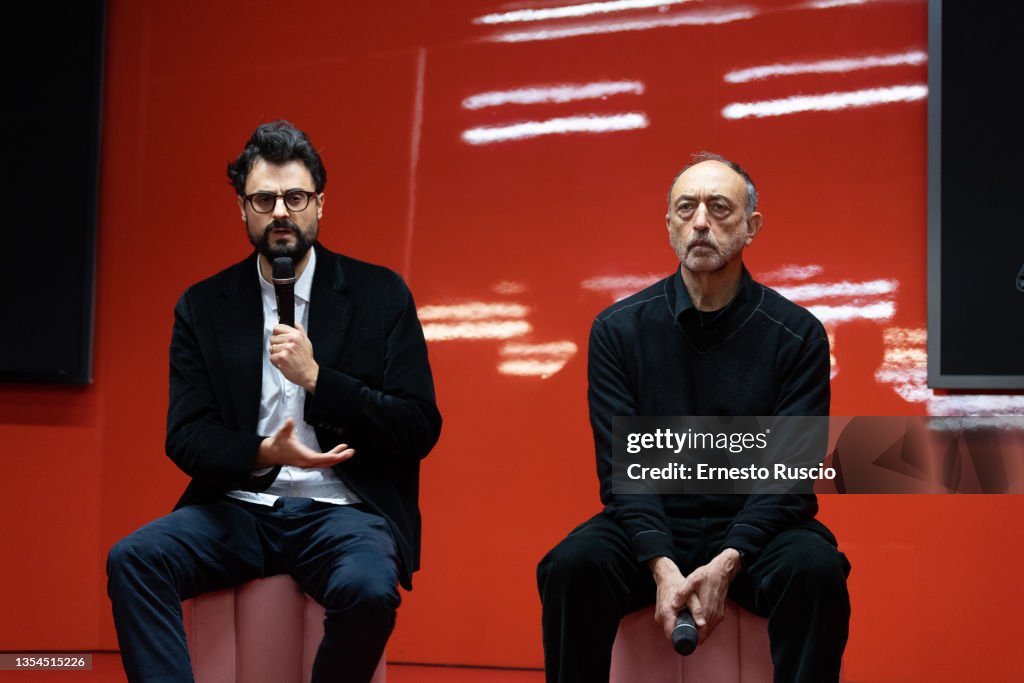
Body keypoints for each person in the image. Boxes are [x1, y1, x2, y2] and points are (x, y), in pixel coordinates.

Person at [107, 120, 442, 683]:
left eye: (295, 197)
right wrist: (266, 451)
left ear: (319, 204)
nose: (281, 211)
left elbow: (418, 426)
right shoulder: (204, 306)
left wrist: (317, 379)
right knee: (134, 559)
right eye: (264, 198)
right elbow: (186, 435)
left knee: (369, 590)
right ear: (243, 209)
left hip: (344, 512)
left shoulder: (380, 294)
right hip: (238, 509)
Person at [537, 153, 850, 683]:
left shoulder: (797, 334)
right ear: (669, 225)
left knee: (817, 572)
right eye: (687, 208)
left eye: (720, 208)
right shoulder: (618, 330)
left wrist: (729, 560)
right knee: (571, 566)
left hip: (758, 532)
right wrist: (660, 565)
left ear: (752, 227)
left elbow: (789, 476)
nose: (701, 221)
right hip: (655, 523)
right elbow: (623, 473)